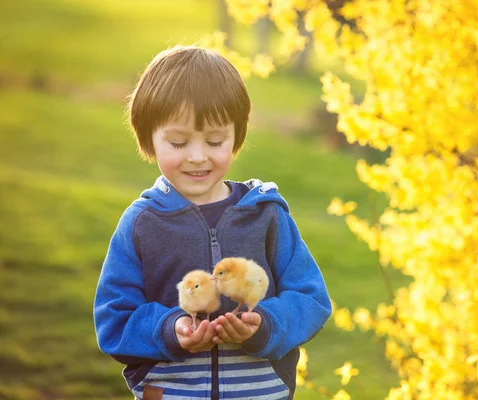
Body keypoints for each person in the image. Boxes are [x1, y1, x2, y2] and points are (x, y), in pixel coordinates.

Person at [93, 45, 332, 400]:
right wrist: (171, 328)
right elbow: (114, 320)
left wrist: (264, 324)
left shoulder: (266, 214)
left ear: (237, 138)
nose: (197, 156)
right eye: (178, 141)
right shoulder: (140, 223)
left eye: (215, 140)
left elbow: (311, 298)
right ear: (149, 140)